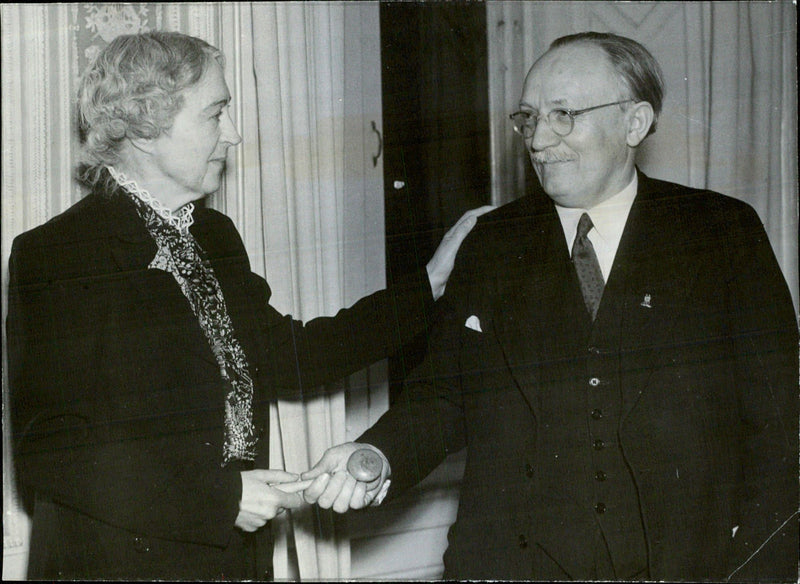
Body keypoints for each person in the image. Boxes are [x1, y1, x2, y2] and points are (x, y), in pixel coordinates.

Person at [302, 32, 799, 581]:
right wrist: (377, 455)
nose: (539, 141)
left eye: (564, 115)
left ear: (634, 123)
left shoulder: (719, 233)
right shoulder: (492, 243)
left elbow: (782, 428)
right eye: (529, 118)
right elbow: (443, 394)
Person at [5, 31, 491, 580]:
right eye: (216, 114)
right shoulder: (59, 255)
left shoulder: (213, 235)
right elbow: (50, 451)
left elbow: (291, 355)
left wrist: (429, 284)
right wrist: (220, 497)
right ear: (144, 128)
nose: (233, 134)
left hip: (231, 562)